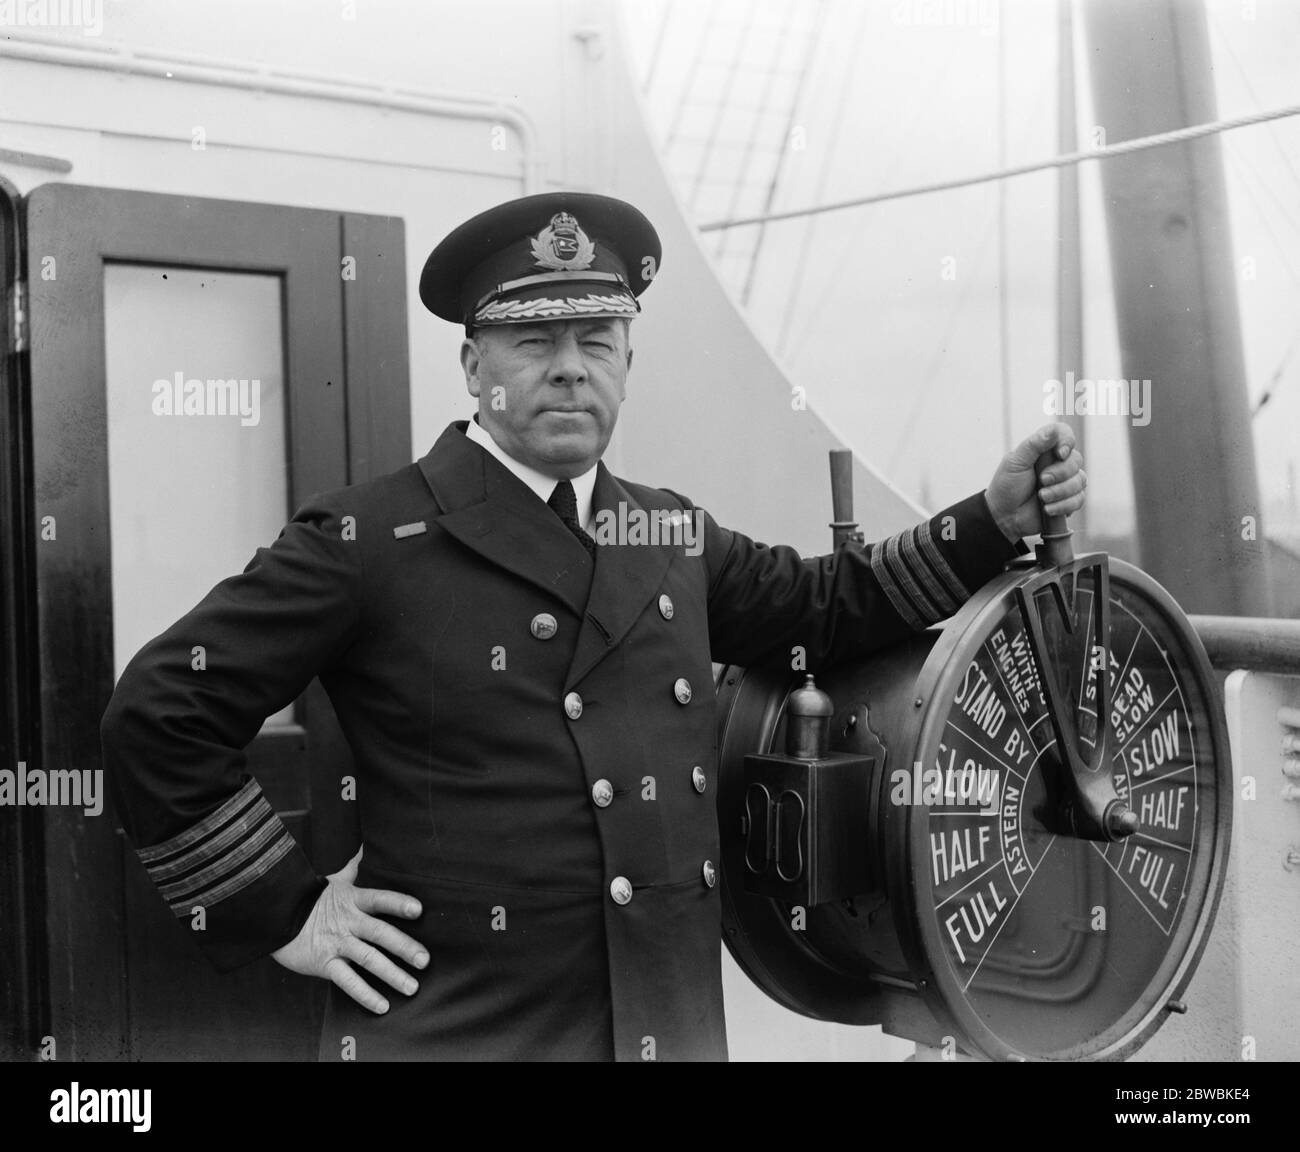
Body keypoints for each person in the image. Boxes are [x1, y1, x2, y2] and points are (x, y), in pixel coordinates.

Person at [101, 192, 1087, 1062]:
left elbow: (825, 610)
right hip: (469, 1034)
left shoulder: (663, 530)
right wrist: (287, 910)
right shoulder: (370, 538)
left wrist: (987, 524)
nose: (570, 371)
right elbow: (160, 710)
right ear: (472, 363)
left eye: (597, 341)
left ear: (627, 358)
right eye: (535, 341)